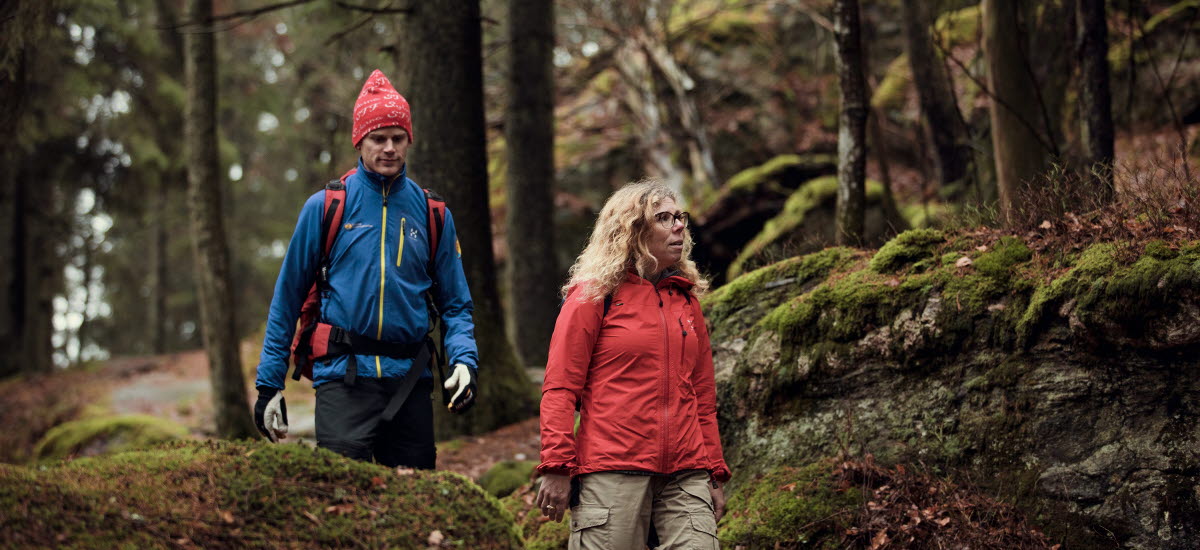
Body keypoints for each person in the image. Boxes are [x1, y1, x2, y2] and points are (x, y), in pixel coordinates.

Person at [252, 69, 478, 470]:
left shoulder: (433, 214)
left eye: (398, 138)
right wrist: (270, 384)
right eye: (378, 138)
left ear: (409, 140)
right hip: (343, 378)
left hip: (410, 380)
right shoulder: (326, 207)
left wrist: (464, 360)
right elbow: (287, 299)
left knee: (414, 500)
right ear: (360, 141)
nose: (389, 148)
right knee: (343, 495)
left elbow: (456, 304)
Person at [535, 180, 731, 549]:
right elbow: (560, 387)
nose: (679, 226)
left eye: (679, 217)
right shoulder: (594, 296)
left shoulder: (685, 300)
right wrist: (557, 465)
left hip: (686, 471)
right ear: (632, 230)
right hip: (613, 467)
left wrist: (714, 471)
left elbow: (703, 397)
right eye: (663, 218)